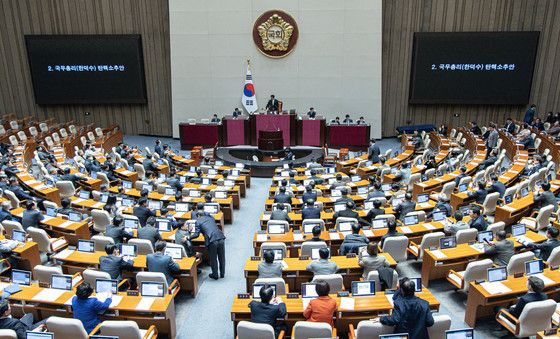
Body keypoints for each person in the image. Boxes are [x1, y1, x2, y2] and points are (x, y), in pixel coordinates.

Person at [190, 203, 226, 279]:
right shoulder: (211, 218)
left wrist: (188, 238)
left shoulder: (198, 221)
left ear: (198, 216)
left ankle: (215, 275)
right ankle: (222, 274)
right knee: (222, 257)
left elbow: (196, 235)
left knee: (213, 258)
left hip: (212, 240)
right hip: (220, 237)